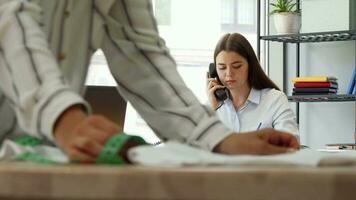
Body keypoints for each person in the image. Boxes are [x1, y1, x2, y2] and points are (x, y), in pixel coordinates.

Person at [0, 1, 299, 163]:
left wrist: (218, 139)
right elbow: (9, 21)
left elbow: (142, 55)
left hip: (38, 158)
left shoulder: (274, 99)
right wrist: (63, 118)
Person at [206, 33, 299, 139]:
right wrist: (212, 110)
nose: (229, 74)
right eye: (222, 68)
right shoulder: (212, 106)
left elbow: (291, 144)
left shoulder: (274, 100)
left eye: (236, 66)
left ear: (250, 65)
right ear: (214, 71)